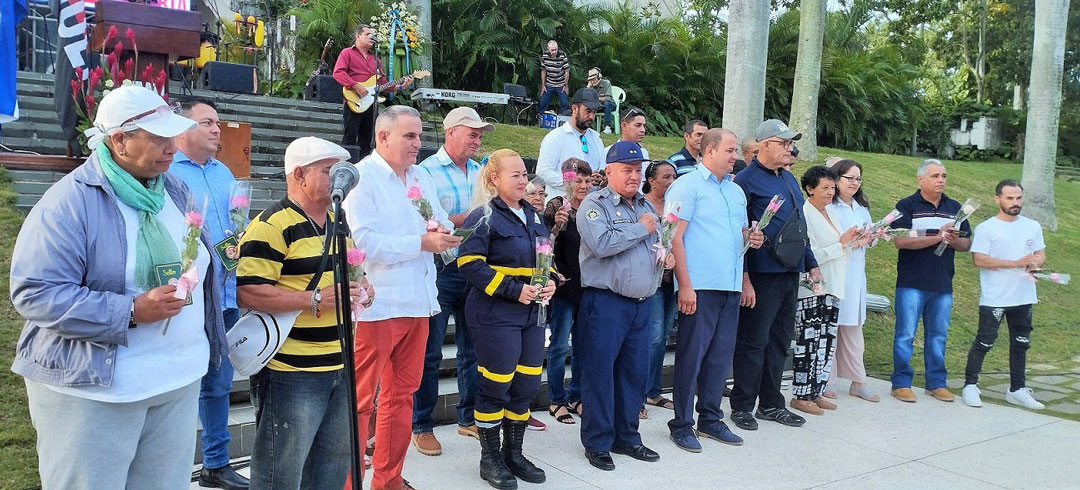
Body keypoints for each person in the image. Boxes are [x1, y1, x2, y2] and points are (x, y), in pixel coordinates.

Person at [10, 85, 225, 490]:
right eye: (158, 138)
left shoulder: (173, 190)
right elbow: (34, 292)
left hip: (176, 382)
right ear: (120, 140)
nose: (172, 147)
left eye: (171, 135)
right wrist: (128, 312)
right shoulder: (68, 204)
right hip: (96, 393)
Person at [238, 136, 372, 489]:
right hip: (292, 369)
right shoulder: (272, 224)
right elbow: (247, 291)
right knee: (280, 470)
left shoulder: (336, 219)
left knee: (330, 465)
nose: (340, 179)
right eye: (330, 171)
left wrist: (364, 286)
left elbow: (348, 270)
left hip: (340, 362)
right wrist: (312, 300)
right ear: (299, 174)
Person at [345, 105, 462, 490]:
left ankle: (388, 478)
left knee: (401, 398)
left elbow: (439, 217)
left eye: (419, 135)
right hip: (377, 307)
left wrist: (442, 232)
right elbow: (361, 243)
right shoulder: (362, 178)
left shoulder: (420, 177)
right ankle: (349, 481)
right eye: (409, 136)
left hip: (419, 301)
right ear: (383, 137)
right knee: (361, 401)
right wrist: (421, 242)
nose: (418, 143)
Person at [457, 148, 556, 489]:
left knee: (527, 385)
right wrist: (514, 290)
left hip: (533, 315)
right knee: (495, 385)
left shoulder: (533, 215)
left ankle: (514, 453)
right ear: (494, 178)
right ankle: (490, 458)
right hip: (496, 314)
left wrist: (552, 281)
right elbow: (468, 263)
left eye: (525, 174)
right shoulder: (482, 216)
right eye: (515, 174)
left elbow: (545, 258)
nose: (523, 180)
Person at [168, 96, 248, 490]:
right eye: (207, 122)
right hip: (189, 297)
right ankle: (173, 466)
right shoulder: (167, 173)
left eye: (218, 122)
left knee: (219, 382)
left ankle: (217, 463)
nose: (217, 129)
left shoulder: (224, 173)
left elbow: (236, 224)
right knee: (185, 385)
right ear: (182, 128)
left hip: (227, 292)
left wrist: (238, 243)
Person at [665, 129, 762, 452]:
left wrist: (752, 242)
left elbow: (740, 236)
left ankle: (710, 418)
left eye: (736, 151)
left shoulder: (735, 192)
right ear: (709, 151)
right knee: (691, 357)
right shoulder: (686, 186)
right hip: (700, 285)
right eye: (731, 150)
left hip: (730, 284)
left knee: (720, 357)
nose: (736, 156)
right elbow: (674, 237)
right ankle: (681, 423)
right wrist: (685, 286)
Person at [576, 141, 665, 471]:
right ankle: (598, 442)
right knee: (600, 375)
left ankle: (627, 437)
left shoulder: (644, 204)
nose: (634, 175)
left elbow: (657, 240)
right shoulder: (594, 204)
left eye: (638, 170)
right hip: (606, 303)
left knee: (633, 374)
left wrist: (661, 254)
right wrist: (642, 228)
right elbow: (602, 244)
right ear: (608, 171)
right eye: (627, 170)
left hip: (642, 303)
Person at [730, 119, 823, 431]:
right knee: (753, 342)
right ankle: (743, 405)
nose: (789, 149)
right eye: (783, 143)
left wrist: (811, 263)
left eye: (790, 144)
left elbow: (799, 226)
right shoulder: (745, 181)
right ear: (764, 145)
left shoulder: (788, 179)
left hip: (789, 271)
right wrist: (744, 279)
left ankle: (771, 404)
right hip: (761, 272)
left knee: (780, 341)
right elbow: (737, 234)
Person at [411, 107, 494, 455]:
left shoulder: (481, 171)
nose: (477, 140)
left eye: (479, 134)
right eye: (471, 133)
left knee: (473, 350)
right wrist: (471, 218)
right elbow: (421, 222)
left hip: (475, 270)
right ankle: (422, 425)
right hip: (440, 270)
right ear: (450, 133)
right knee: (429, 354)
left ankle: (469, 418)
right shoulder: (425, 171)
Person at [888, 159, 972, 403]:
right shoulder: (907, 205)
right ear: (920, 179)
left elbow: (966, 244)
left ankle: (936, 383)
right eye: (935, 176)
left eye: (944, 176)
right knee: (905, 334)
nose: (941, 180)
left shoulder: (955, 208)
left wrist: (953, 239)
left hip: (943, 282)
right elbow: (900, 241)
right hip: (912, 282)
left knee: (938, 335)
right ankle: (901, 382)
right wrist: (938, 236)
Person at [962, 180, 1047, 410]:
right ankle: (970, 385)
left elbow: (1040, 253)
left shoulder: (1032, 226)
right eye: (1010, 198)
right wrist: (1015, 263)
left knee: (1021, 343)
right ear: (997, 199)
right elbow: (979, 260)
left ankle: (1017, 389)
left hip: (1024, 295)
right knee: (985, 341)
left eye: (1018, 198)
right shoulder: (987, 228)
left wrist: (1035, 264)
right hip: (995, 297)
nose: (1015, 202)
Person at [789, 165, 857, 416]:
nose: (830, 192)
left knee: (825, 342)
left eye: (832, 187)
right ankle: (801, 393)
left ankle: (816, 390)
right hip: (812, 287)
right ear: (810, 189)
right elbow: (811, 254)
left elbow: (841, 245)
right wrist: (841, 245)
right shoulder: (805, 214)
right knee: (808, 341)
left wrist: (851, 241)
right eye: (825, 188)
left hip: (834, 284)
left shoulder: (831, 213)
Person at [826, 159, 880, 402]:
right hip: (836, 275)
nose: (855, 183)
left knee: (854, 329)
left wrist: (874, 235)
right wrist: (856, 240)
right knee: (832, 329)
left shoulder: (860, 208)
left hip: (857, 276)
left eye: (858, 179)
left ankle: (859, 380)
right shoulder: (829, 208)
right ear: (837, 179)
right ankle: (827, 380)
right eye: (850, 178)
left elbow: (869, 239)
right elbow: (835, 242)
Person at [542, 158, 591, 425]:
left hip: (588, 286)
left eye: (586, 180)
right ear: (566, 180)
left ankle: (577, 396)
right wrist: (557, 225)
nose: (581, 185)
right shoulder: (556, 206)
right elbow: (544, 244)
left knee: (583, 346)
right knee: (560, 345)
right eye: (576, 180)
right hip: (563, 286)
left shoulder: (594, 207)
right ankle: (556, 399)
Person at [333, 23, 413, 156]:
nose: (371, 37)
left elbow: (382, 83)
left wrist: (401, 86)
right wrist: (355, 86)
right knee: (349, 137)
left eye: (372, 35)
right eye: (367, 34)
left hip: (371, 103)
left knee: (367, 138)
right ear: (357, 36)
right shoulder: (347, 53)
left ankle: (364, 166)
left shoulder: (375, 59)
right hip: (354, 101)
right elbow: (338, 73)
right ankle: (347, 167)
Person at [641, 159, 677, 418]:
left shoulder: (676, 205)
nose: (671, 182)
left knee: (663, 334)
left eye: (674, 177)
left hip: (672, 278)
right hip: (650, 277)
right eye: (666, 177)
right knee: (651, 335)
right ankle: (638, 391)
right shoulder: (642, 205)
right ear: (651, 180)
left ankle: (653, 390)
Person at [535, 88, 605, 201]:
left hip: (591, 205)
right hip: (562, 207)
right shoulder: (555, 137)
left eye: (594, 112)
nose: (591, 116)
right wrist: (574, 181)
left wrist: (600, 178)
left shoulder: (597, 139)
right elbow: (542, 173)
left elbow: (602, 168)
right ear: (574, 109)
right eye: (588, 111)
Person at [604, 107, 651, 172]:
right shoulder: (608, 152)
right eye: (638, 125)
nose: (643, 130)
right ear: (624, 126)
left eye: (644, 126)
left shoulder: (644, 152)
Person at [538, 40, 570, 116]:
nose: (554, 52)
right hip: (549, 83)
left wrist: (565, 85)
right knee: (542, 102)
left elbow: (567, 71)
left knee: (564, 103)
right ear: (548, 49)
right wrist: (543, 85)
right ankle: (541, 119)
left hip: (561, 84)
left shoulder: (562, 55)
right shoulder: (545, 56)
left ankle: (563, 121)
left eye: (556, 49)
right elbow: (543, 70)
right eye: (552, 50)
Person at [586, 67, 615, 133]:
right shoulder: (591, 86)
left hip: (610, 105)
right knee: (586, 106)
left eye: (594, 79)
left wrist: (595, 98)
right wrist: (588, 87)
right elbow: (585, 98)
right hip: (598, 105)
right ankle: (586, 126)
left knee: (607, 103)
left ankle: (608, 127)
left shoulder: (606, 83)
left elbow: (608, 98)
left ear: (599, 77)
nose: (592, 81)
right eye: (591, 79)